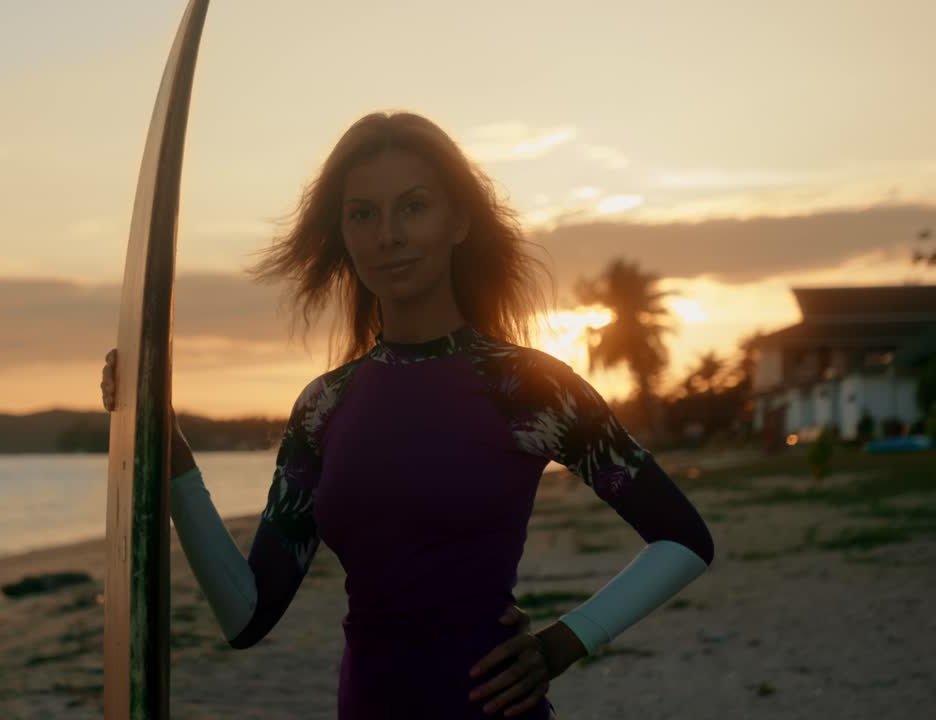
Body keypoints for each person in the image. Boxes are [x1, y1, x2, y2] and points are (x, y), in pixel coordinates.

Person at [101, 111, 714, 719]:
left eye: (413, 207)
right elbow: (246, 614)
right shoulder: (324, 406)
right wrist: (167, 446)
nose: (387, 234)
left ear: (459, 221)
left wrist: (565, 642)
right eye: (363, 214)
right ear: (343, 235)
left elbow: (682, 538)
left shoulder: (526, 387)